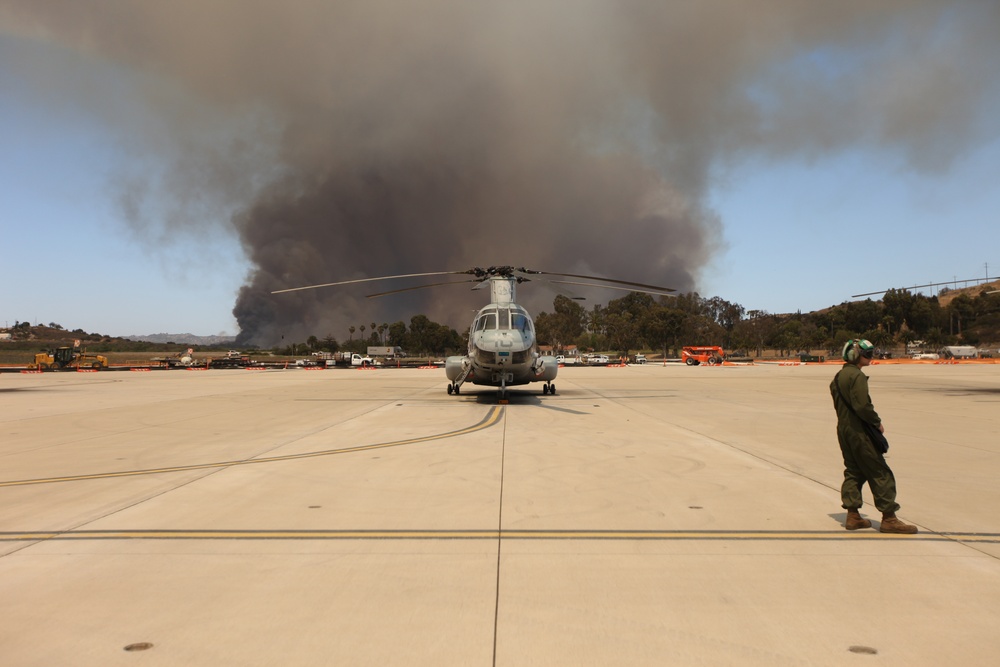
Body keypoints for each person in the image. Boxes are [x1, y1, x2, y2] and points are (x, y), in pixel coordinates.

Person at [830, 339, 917, 534]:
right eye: (867, 354)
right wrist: (876, 422)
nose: (871, 357)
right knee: (879, 471)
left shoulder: (838, 377)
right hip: (860, 431)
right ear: (855, 355)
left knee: (853, 471)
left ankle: (852, 515)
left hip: (844, 430)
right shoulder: (857, 377)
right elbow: (862, 406)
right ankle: (889, 518)